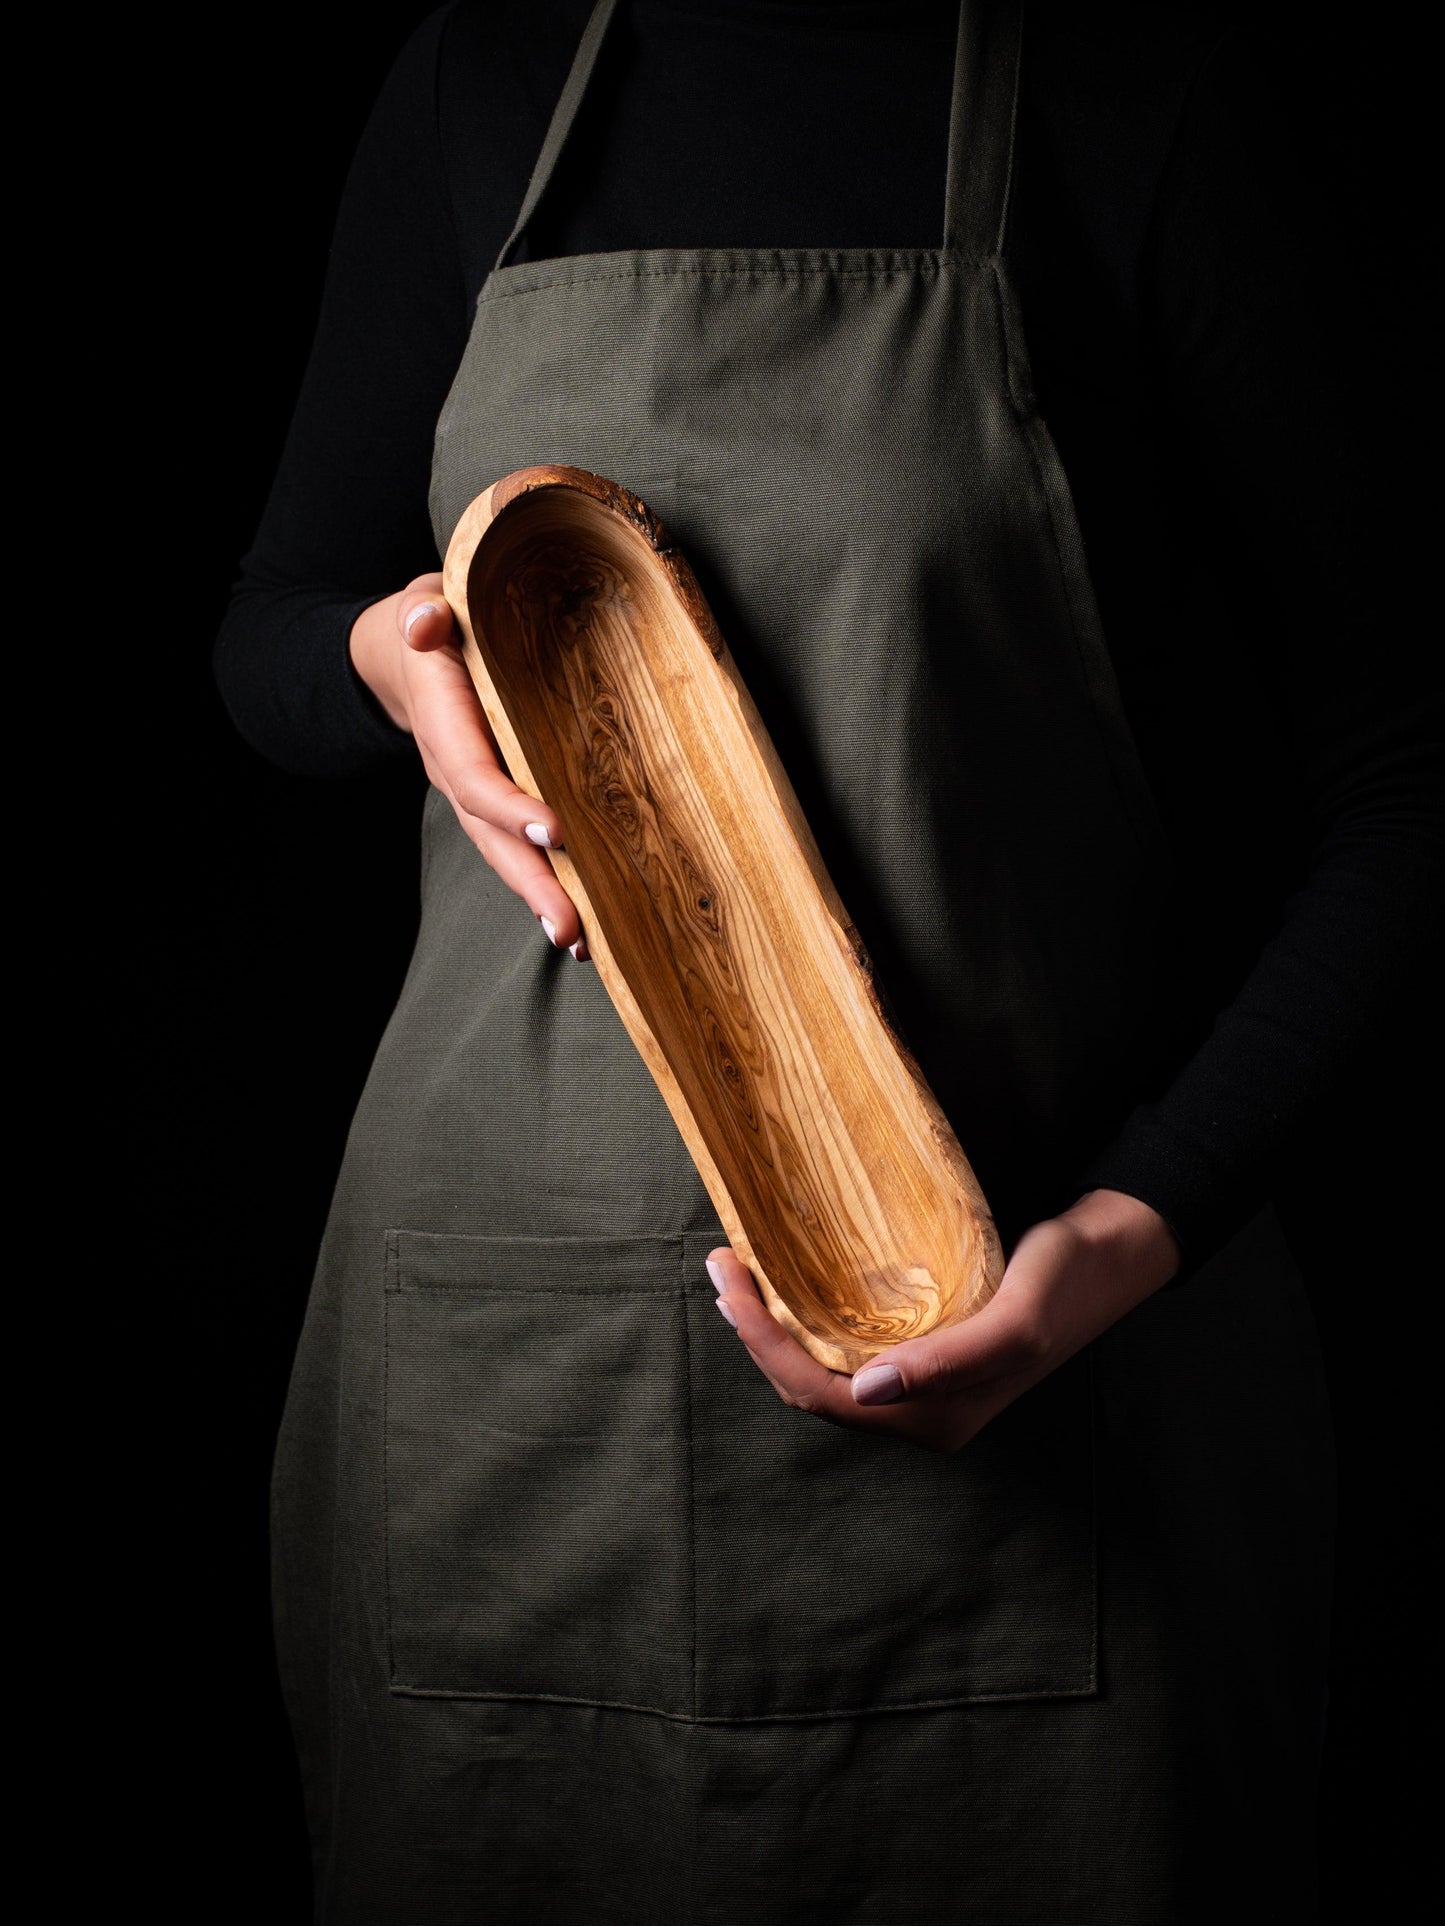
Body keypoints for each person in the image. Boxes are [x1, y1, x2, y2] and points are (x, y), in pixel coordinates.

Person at [213, 2, 1440, 1919]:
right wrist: (377, 665)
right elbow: (272, 628)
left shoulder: (1142, 102)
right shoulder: (478, 83)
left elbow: (1408, 784)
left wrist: (1129, 1232)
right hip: (503, 1411)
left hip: (1051, 1375)